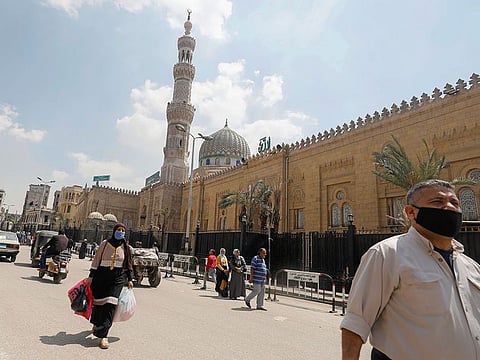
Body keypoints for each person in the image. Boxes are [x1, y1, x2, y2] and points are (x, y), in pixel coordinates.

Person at [341, 179, 480, 360]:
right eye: (437, 202)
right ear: (411, 212)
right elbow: (356, 323)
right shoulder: (387, 254)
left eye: (454, 202)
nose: (449, 207)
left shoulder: (470, 266)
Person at [84, 223, 134, 349]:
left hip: (117, 278)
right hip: (101, 276)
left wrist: (129, 279)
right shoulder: (105, 244)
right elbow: (96, 260)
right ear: (114, 231)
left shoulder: (126, 247)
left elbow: (128, 264)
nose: (121, 232)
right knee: (99, 303)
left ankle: (104, 336)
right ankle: (96, 323)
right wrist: (91, 276)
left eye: (123, 230)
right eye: (118, 230)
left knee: (111, 304)